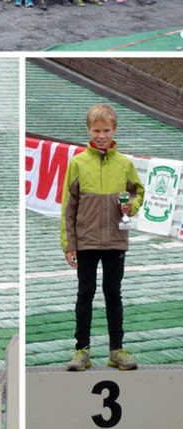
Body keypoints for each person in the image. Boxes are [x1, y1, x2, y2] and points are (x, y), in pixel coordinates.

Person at [61, 104, 144, 372]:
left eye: (106, 130)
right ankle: (81, 351)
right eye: (96, 130)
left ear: (114, 130)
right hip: (85, 242)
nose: (101, 135)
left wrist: (130, 206)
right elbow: (68, 207)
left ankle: (116, 350)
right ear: (88, 130)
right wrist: (68, 243)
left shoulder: (124, 163)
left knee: (113, 294)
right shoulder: (77, 163)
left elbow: (137, 192)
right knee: (85, 294)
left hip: (115, 241)